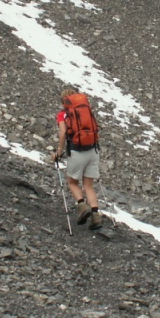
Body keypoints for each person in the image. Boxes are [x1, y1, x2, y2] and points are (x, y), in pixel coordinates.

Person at [50, 87, 103, 230]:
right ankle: (96, 215)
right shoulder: (86, 110)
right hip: (93, 149)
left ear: (64, 101)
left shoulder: (63, 114)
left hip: (77, 150)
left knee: (72, 182)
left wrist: (59, 152)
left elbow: (63, 133)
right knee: (88, 186)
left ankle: (82, 206)